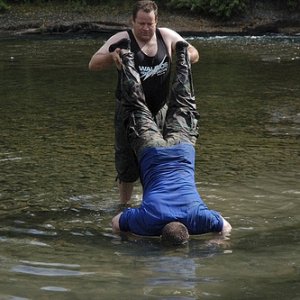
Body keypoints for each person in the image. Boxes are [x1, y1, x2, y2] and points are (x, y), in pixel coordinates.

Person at [111, 40, 232, 245]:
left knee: (183, 103)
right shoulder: (148, 221)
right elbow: (115, 223)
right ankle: (126, 54)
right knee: (136, 106)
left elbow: (226, 227)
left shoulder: (199, 218)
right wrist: (133, 236)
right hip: (151, 152)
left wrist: (216, 243)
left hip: (182, 149)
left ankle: (182, 53)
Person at [89, 0, 199, 204]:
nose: (146, 28)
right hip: (128, 112)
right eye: (141, 23)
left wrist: (182, 54)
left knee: (159, 158)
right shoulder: (123, 38)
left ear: (156, 22)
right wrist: (112, 56)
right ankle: (124, 206)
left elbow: (194, 53)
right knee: (127, 162)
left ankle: (154, 202)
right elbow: (93, 63)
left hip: (159, 110)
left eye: (150, 23)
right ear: (132, 21)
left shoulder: (166, 36)